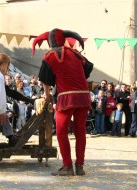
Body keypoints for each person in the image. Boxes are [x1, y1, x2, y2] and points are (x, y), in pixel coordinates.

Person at [32, 28, 92, 176]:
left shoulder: (49, 56)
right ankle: (79, 166)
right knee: (80, 132)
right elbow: (88, 68)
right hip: (84, 96)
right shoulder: (76, 53)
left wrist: (47, 96)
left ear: (50, 41)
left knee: (61, 131)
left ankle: (67, 166)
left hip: (67, 97)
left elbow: (45, 80)